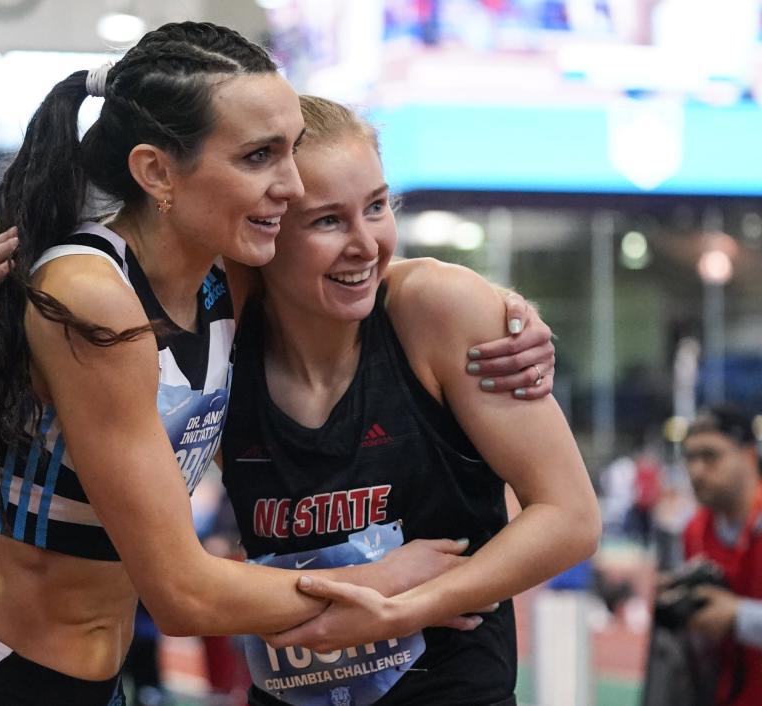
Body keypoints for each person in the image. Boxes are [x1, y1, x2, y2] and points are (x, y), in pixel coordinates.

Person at [0, 22, 555, 706]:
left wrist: (500, 311)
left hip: (94, 682)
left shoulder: (220, 279)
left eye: (290, 151)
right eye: (260, 156)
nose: (289, 184)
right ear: (157, 172)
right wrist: (386, 582)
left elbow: (356, 268)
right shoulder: (91, 296)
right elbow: (182, 593)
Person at [219, 96, 600, 705]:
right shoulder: (218, 340)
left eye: (376, 207)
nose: (366, 244)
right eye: (327, 221)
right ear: (265, 231)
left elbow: (572, 518)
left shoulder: (439, 311)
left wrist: (403, 610)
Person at [674, 404, 762, 706]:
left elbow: (732, 616)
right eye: (690, 457)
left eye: (710, 456)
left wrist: (738, 617)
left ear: (749, 456)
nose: (696, 470)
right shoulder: (694, 530)